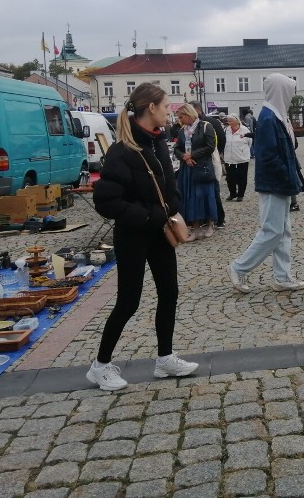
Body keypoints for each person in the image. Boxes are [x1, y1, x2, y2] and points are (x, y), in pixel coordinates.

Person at [89, 83, 198, 391]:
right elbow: (107, 202)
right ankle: (100, 365)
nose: (169, 112)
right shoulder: (122, 151)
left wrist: (172, 204)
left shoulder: (158, 142)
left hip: (161, 232)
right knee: (128, 301)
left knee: (169, 292)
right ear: (151, 108)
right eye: (166, 106)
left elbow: (168, 184)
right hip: (134, 234)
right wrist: (148, 216)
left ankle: (165, 359)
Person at [226, 73, 304, 294]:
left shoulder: (276, 116)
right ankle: (239, 267)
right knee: (273, 231)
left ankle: (282, 277)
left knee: (282, 232)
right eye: (289, 92)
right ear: (281, 91)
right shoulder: (269, 118)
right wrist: (286, 176)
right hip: (274, 183)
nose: (291, 96)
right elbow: (267, 156)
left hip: (279, 183)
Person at [174, 104, 218, 240]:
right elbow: (177, 148)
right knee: (190, 197)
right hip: (188, 169)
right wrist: (184, 157)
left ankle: (210, 224)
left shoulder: (206, 126)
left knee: (205, 196)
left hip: (202, 167)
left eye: (181, 117)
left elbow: (210, 146)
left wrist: (192, 154)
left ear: (188, 114)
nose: (180, 119)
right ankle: (196, 228)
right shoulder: (182, 131)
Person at [190, 101, 226, 228]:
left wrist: (217, 153)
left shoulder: (210, 123)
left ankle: (219, 218)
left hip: (209, 160)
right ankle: (205, 218)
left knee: (214, 191)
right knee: (201, 193)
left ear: (198, 110)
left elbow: (221, 139)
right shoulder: (191, 125)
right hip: (196, 163)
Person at [223, 114, 252, 201]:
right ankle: (232, 194)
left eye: (231, 121)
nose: (229, 123)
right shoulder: (226, 130)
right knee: (230, 177)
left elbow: (249, 142)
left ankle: (240, 194)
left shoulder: (244, 129)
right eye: (228, 121)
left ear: (236, 121)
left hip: (242, 157)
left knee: (242, 177)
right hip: (229, 157)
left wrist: (243, 151)